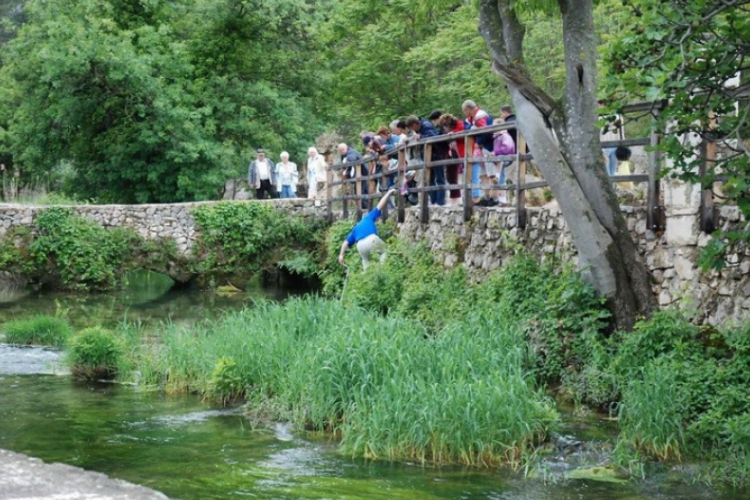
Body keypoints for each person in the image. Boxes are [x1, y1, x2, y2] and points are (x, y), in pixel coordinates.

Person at [338, 188, 397, 269]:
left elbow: (345, 242)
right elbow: (380, 205)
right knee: (384, 252)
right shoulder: (368, 217)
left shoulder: (355, 229)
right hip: (371, 239)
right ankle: (381, 272)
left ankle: (367, 277)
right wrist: (388, 193)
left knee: (366, 261)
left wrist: (341, 255)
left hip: (360, 245)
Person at [462, 99, 498, 206]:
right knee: (483, 174)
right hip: (483, 148)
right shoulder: (473, 117)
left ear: (468, 109)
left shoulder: (479, 116)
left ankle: (494, 198)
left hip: (488, 147)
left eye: (464, 111)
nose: (464, 113)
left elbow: (485, 131)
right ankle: (487, 197)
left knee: (491, 174)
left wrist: (478, 142)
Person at [405, 115, 444, 205]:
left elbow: (432, 136)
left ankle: (440, 202)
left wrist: (421, 136)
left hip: (436, 155)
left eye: (412, 128)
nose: (413, 130)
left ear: (415, 124)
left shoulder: (426, 126)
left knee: (439, 179)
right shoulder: (420, 127)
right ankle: (434, 201)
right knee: (429, 180)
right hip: (427, 156)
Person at [438, 113, 465, 205]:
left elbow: (463, 131)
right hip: (452, 153)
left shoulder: (459, 126)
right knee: (451, 177)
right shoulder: (448, 132)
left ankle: (458, 200)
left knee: (454, 177)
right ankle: (455, 199)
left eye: (444, 127)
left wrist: (454, 133)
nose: (444, 129)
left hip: (461, 153)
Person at [599, 103, 624, 176]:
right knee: (611, 174)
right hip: (614, 146)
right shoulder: (618, 117)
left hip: (605, 148)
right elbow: (621, 133)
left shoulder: (599, 119)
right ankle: (612, 187)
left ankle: (610, 187)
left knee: (608, 175)